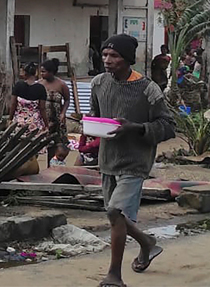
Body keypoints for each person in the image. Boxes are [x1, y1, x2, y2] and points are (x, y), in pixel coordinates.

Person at [91, 34, 175, 287]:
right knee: (114, 215)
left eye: (114, 56)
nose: (107, 60)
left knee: (115, 211)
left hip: (135, 160)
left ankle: (114, 275)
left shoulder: (148, 89)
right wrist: (91, 125)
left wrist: (136, 128)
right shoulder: (98, 83)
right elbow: (97, 114)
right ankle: (147, 242)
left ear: (128, 59)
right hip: (108, 159)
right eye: (105, 54)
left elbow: (168, 126)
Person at [40, 58, 71, 167]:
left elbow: (67, 100)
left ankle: (54, 167)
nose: (41, 74)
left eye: (44, 71)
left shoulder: (61, 84)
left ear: (51, 72)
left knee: (58, 145)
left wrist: (63, 113)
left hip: (57, 118)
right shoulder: (40, 84)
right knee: (46, 143)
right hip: (45, 118)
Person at [9, 62, 49, 133]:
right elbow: (42, 108)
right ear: (35, 73)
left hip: (19, 122)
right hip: (34, 123)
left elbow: (13, 104)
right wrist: (46, 124)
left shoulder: (18, 85)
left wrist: (10, 119)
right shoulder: (41, 88)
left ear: (25, 73)